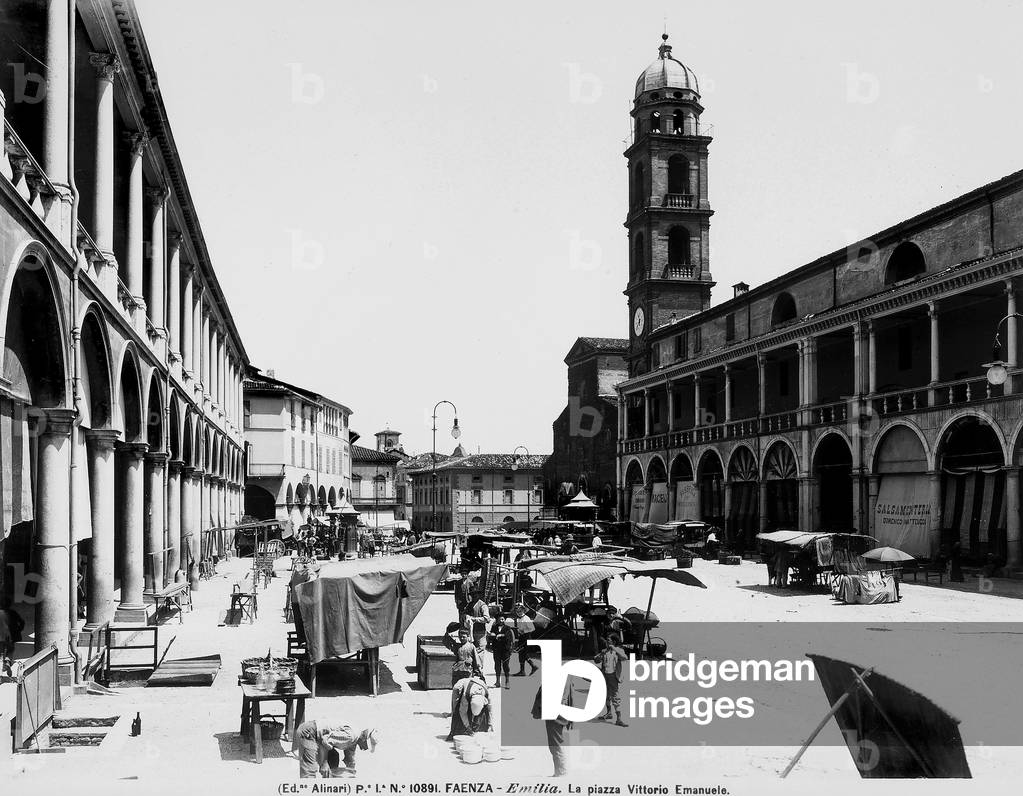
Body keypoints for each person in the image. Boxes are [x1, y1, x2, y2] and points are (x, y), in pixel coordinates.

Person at [295, 720, 379, 778]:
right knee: (310, 770)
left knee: (334, 757)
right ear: (364, 738)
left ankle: (328, 786)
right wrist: (324, 763)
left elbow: (350, 758)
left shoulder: (355, 740)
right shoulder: (350, 736)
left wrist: (351, 772)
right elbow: (325, 740)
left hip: (319, 736)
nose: (364, 749)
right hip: (308, 732)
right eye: (366, 746)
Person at [531, 677, 578, 777]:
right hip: (562, 715)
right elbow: (571, 696)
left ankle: (561, 772)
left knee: (555, 744)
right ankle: (561, 771)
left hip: (554, 716)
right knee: (558, 742)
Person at [595, 635, 629, 726]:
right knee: (606, 695)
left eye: (609, 641)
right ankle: (609, 713)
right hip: (605, 675)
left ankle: (619, 719)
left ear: (614, 642)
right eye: (607, 641)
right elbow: (597, 660)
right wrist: (600, 655)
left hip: (613, 676)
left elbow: (624, 657)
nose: (607, 642)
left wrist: (614, 648)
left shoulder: (618, 650)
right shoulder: (605, 651)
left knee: (615, 696)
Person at [447, 671, 491, 740]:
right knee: (456, 711)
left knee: (481, 715)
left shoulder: (486, 693)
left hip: (475, 685)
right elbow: (462, 712)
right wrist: (468, 727)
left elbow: (489, 710)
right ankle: (454, 731)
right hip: (459, 687)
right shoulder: (465, 695)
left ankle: (476, 728)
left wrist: (489, 724)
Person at [489, 612, 515, 688]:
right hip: (497, 649)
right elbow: (491, 637)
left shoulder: (507, 628)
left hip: (505, 650)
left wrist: (501, 635)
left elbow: (508, 637)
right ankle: (497, 681)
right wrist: (492, 635)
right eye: (499, 619)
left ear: (504, 620)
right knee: (497, 665)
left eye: (502, 619)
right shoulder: (494, 627)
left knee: (506, 665)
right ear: (497, 620)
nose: (501, 621)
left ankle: (507, 681)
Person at [511, 604, 538, 676]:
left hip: (526, 637)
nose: (519, 613)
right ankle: (523, 670)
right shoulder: (518, 619)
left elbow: (532, 628)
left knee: (523, 653)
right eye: (517, 611)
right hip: (521, 637)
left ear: (524, 611)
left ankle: (532, 666)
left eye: (520, 611)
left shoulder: (526, 618)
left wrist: (524, 631)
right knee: (521, 653)